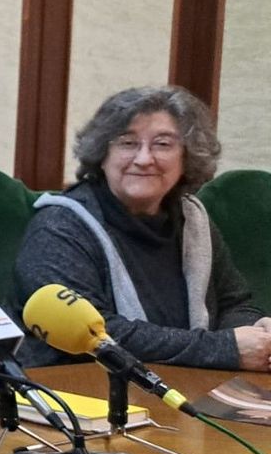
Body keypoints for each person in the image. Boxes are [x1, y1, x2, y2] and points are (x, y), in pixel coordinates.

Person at [15, 85, 270, 370]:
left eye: (162, 144)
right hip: (75, 393)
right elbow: (98, 336)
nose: (144, 158)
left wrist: (257, 330)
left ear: (187, 157)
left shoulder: (193, 220)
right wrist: (225, 349)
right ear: (103, 154)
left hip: (180, 388)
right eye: (127, 143)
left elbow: (232, 303)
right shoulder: (59, 227)